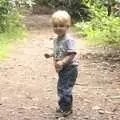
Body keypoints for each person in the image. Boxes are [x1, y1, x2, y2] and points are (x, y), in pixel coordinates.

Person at [44, 10, 78, 117]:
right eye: (55, 26)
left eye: (61, 26)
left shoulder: (69, 40)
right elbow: (58, 51)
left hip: (70, 68)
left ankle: (67, 108)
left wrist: (62, 62)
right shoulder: (56, 39)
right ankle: (63, 106)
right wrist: (50, 54)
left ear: (67, 26)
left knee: (65, 88)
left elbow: (72, 53)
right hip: (61, 68)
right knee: (61, 87)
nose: (58, 28)